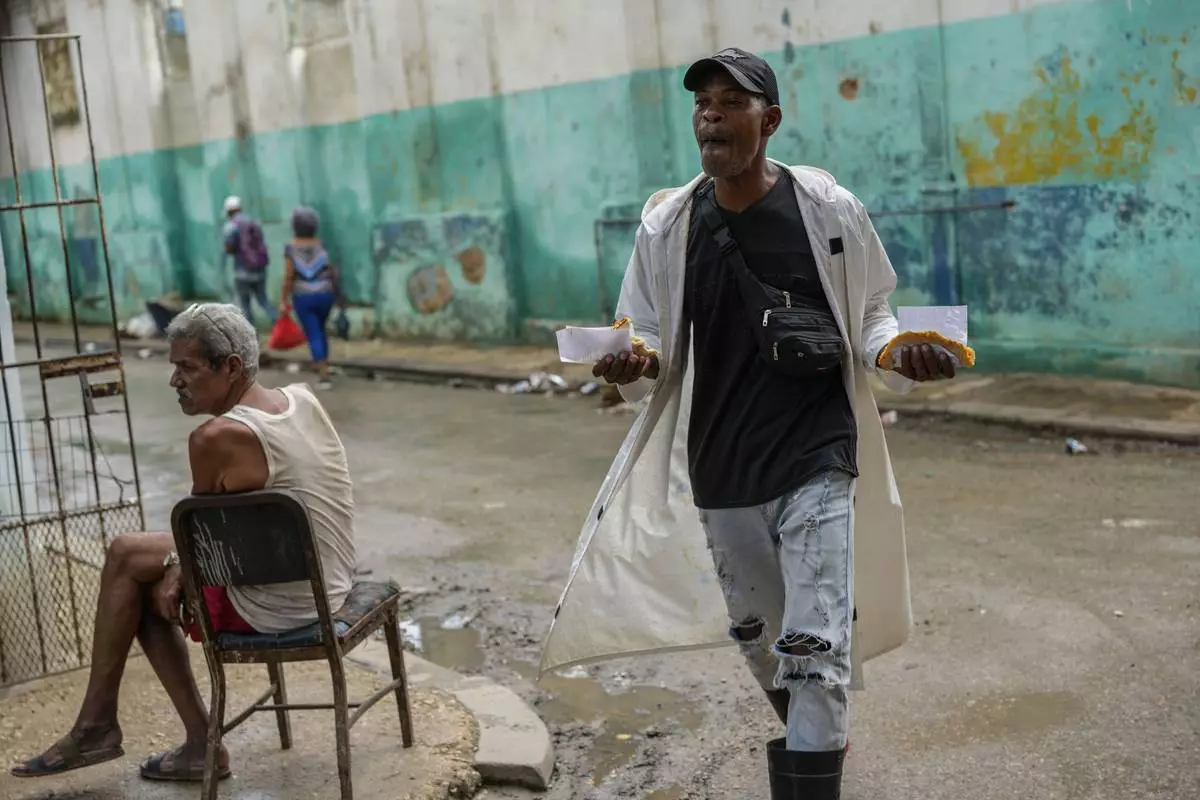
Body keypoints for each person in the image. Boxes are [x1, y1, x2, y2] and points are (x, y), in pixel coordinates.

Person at [546, 48, 957, 798]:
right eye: (702, 101)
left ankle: (812, 757)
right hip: (722, 465)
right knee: (765, 645)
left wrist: (897, 350)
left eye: (732, 101)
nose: (711, 113)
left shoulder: (828, 209)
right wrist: (633, 362)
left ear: (769, 121)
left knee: (815, 648)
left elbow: (872, 310)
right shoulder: (668, 227)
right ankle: (816, 740)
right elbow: (646, 331)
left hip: (818, 452)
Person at [12, 302, 356, 783]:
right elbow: (210, 534)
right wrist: (179, 561)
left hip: (283, 604)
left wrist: (178, 566)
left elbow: (202, 543)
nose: (175, 380)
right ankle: (113, 727)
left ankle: (166, 737)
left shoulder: (216, 437)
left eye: (187, 367)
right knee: (132, 559)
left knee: (136, 578)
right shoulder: (301, 398)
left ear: (230, 366)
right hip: (329, 581)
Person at [281, 206, 343, 390]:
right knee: (321, 330)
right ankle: (323, 364)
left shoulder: (291, 248)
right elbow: (331, 271)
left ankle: (323, 376)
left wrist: (284, 300)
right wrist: (338, 295)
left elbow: (289, 276)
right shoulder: (320, 245)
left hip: (304, 296)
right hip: (325, 294)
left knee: (313, 332)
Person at [222, 195, 277, 326]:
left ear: (229, 211)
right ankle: (279, 323)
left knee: (245, 304)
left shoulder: (231, 226)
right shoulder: (254, 223)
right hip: (260, 269)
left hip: (242, 271)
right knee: (263, 299)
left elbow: (229, 248)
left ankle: (251, 332)